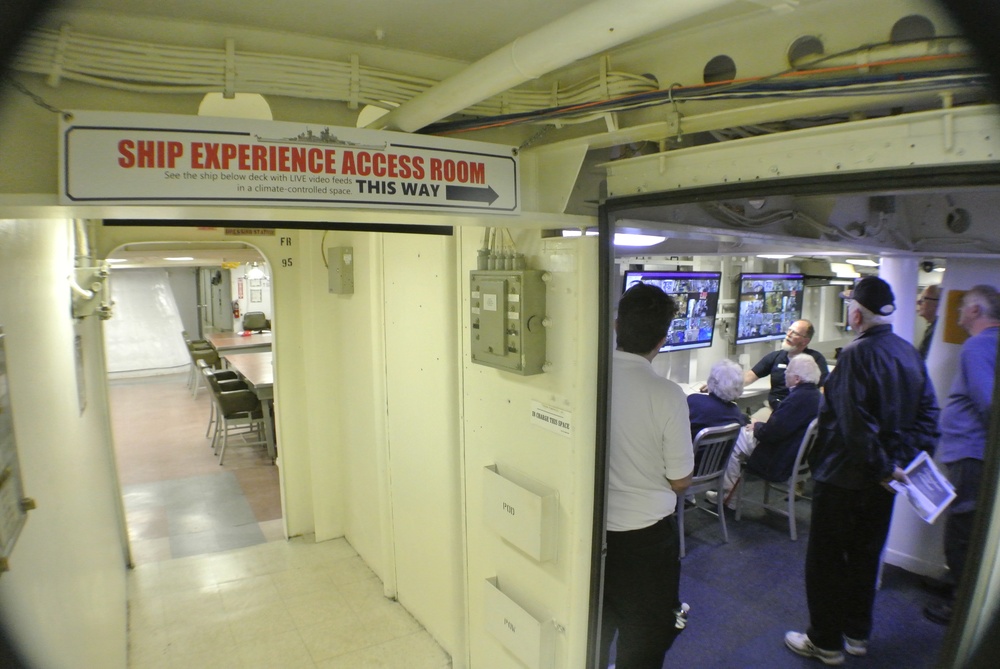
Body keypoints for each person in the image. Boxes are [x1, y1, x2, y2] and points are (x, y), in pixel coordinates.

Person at [784, 276, 940, 665]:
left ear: (856, 314)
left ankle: (825, 642)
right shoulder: (909, 353)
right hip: (884, 486)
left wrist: (885, 466)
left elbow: (855, 424)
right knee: (866, 557)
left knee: (827, 561)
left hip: (843, 479)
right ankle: (856, 634)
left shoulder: (855, 355)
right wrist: (898, 465)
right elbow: (929, 417)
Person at [601, 283, 695, 669]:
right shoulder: (668, 395)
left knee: (594, 628)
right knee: (643, 640)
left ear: (616, 325)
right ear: (663, 338)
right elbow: (680, 480)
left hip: (593, 535)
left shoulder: (591, 379)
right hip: (645, 542)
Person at [923, 285, 1000, 625]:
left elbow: (988, 404)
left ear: (975, 312)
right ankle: (956, 583)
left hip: (972, 452)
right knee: (968, 525)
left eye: (962, 308)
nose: (956, 314)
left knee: (963, 529)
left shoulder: (977, 346)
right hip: (978, 453)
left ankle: (961, 605)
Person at [707, 354, 822, 507]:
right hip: (797, 457)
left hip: (779, 458)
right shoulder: (816, 396)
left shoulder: (797, 400)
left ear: (797, 379)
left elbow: (770, 433)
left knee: (735, 438)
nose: (784, 374)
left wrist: (757, 426)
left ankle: (728, 496)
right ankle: (729, 494)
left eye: (787, 372)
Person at [744, 319, 829, 408]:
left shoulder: (814, 359)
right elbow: (748, 377)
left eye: (795, 333)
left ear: (805, 341)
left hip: (802, 409)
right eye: (789, 330)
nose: (788, 335)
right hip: (776, 407)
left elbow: (824, 389)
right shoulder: (776, 357)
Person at [687, 358, 748, 440]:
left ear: (712, 381)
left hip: (690, 452)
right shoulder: (735, 413)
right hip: (721, 453)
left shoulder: (694, 401)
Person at [917, 284, 941, 360]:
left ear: (938, 303)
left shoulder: (938, 331)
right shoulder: (933, 328)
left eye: (923, 299)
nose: (918, 302)